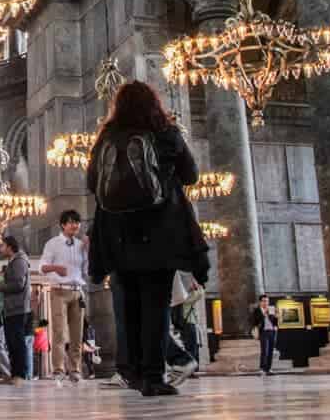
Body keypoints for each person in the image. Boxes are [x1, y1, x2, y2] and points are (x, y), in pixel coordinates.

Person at [87, 80, 207, 398]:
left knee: (129, 307)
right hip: (159, 234)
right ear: (154, 104)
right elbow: (191, 175)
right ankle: (154, 377)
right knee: (155, 307)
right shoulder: (165, 133)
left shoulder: (107, 138)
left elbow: (91, 182)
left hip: (118, 236)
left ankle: (136, 373)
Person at [40, 209, 87, 383]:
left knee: (77, 334)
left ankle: (75, 370)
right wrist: (56, 268)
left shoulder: (81, 245)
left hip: (77, 291)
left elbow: (87, 270)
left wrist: (89, 250)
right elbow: (42, 267)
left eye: (77, 222)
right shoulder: (53, 244)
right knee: (59, 333)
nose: (75, 225)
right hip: (59, 291)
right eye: (71, 222)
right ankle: (58, 370)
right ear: (63, 224)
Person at [0, 235, 30, 386]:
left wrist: (0, 287)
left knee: (18, 342)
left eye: (2, 246)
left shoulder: (19, 261)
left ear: (10, 246)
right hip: (11, 308)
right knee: (11, 343)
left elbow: (19, 284)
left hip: (18, 308)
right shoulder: (13, 261)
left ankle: (20, 375)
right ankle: (14, 374)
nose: (0, 249)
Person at [250, 295, 279, 375]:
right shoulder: (257, 310)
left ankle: (268, 369)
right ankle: (262, 369)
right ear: (260, 302)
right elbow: (254, 322)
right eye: (264, 301)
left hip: (272, 331)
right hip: (263, 332)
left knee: (270, 351)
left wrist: (276, 317)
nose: (265, 302)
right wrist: (264, 315)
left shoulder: (271, 309)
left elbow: (275, 322)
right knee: (264, 351)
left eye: (267, 301)